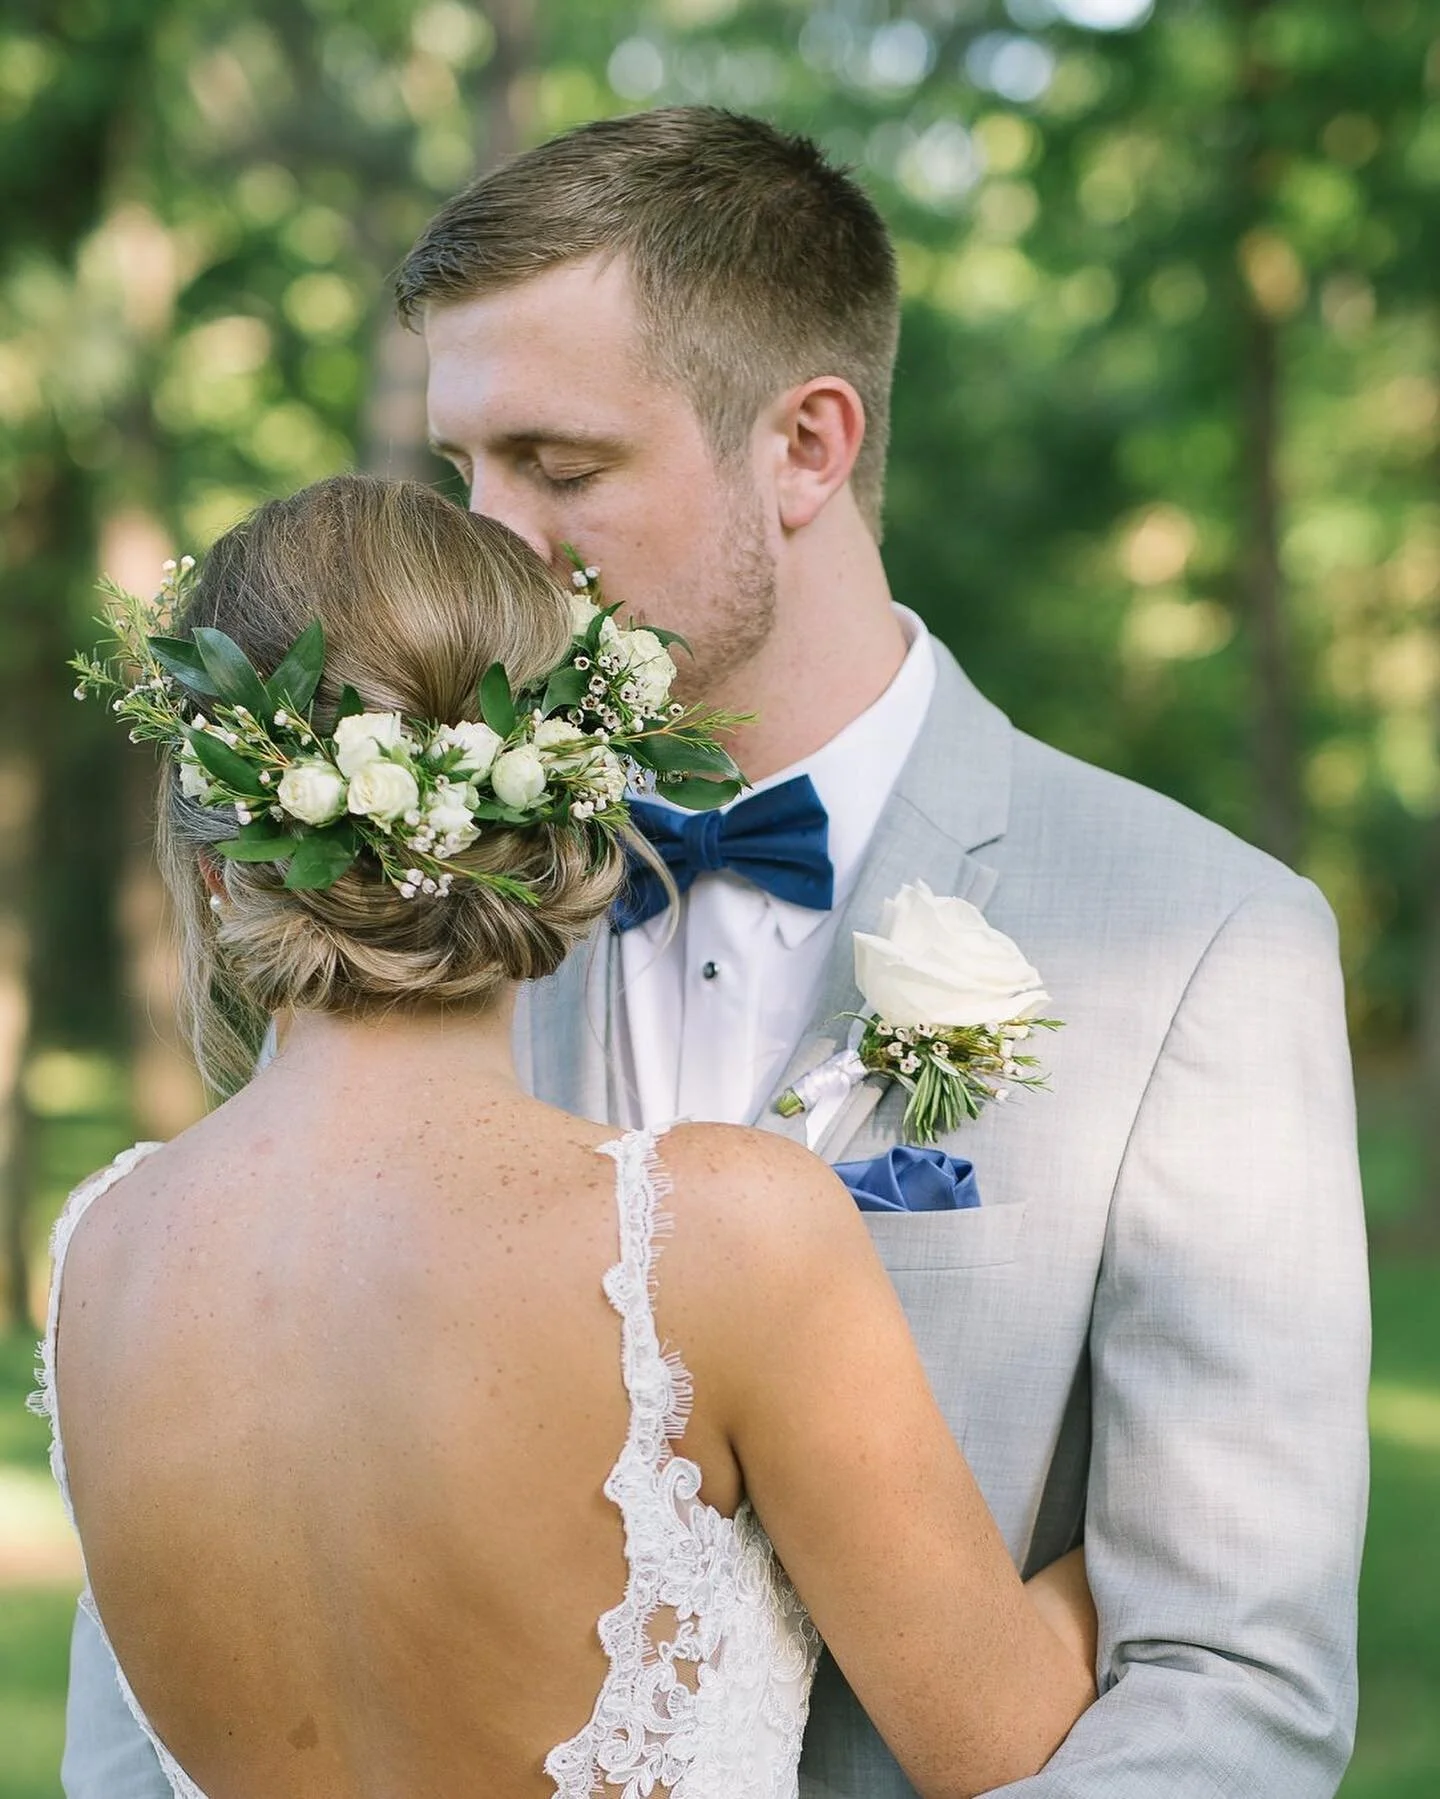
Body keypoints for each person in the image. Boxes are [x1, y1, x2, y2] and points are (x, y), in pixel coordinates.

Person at [63, 106, 1370, 1799]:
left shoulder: (1203, 943)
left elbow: (1226, 1691)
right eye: (462, 472)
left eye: (561, 466)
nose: (492, 542)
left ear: (809, 447)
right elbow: (146, 1700)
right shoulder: (419, 921)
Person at [45, 473, 1097, 1799]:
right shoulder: (715, 1237)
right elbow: (992, 1735)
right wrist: (1166, 1527)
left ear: (213, 857)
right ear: (561, 823)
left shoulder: (98, 1257)